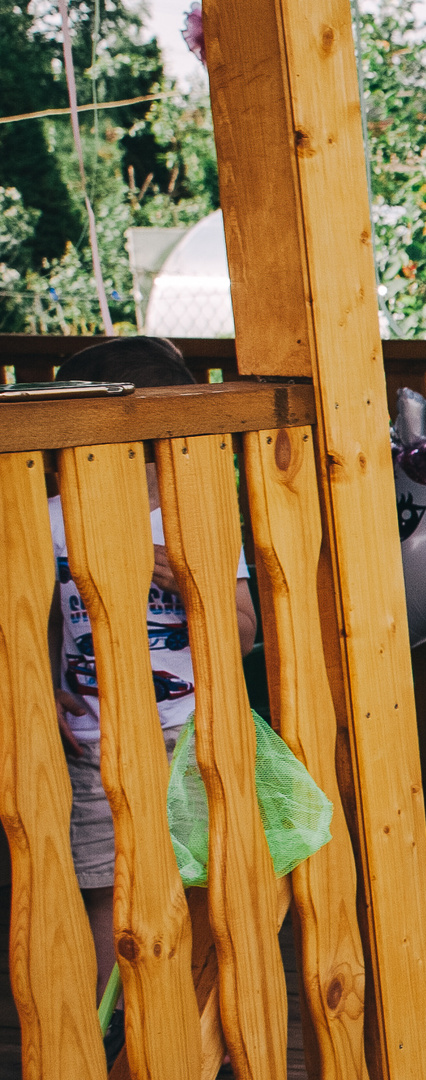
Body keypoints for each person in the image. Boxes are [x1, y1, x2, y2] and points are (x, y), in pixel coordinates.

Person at [48, 336, 258, 1010]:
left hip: (192, 735)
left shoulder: (196, 517)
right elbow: (27, 619)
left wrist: (195, 585)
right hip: (94, 739)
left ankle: (202, 1014)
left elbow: (244, 633)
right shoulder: (48, 521)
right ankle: (107, 1022)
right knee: (103, 884)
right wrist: (37, 689)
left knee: (205, 881)